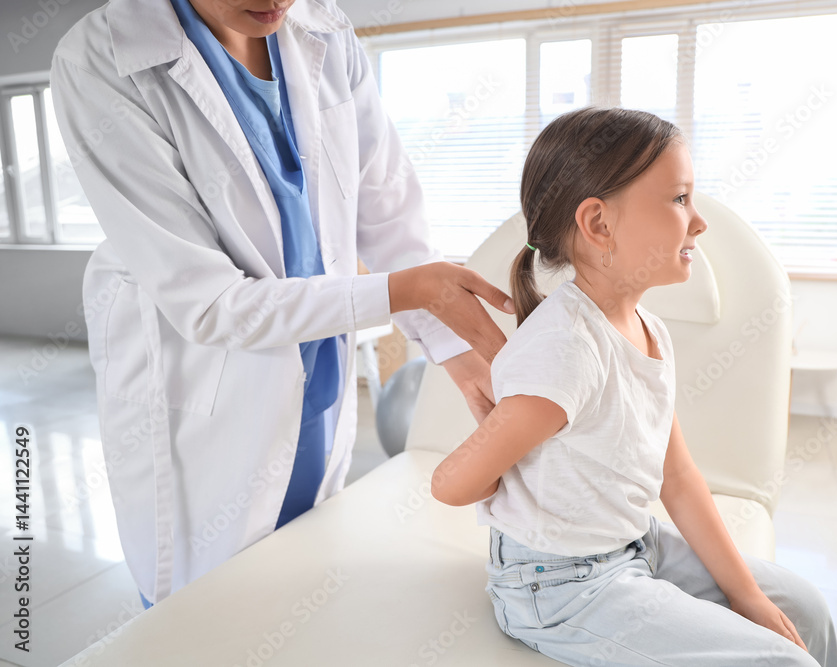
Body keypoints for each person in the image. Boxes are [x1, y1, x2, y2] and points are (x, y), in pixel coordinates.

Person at [50, 0, 512, 609]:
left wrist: (455, 349)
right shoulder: (102, 59)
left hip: (317, 375)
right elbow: (211, 304)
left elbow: (388, 208)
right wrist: (406, 291)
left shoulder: (325, 29)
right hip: (204, 397)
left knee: (300, 582)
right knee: (207, 617)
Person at [431, 107, 837, 666]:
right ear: (599, 225)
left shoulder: (649, 330)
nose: (699, 221)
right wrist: (502, 442)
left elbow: (677, 475)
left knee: (806, 609)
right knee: (784, 661)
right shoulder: (565, 350)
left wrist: (749, 597)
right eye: (679, 199)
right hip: (559, 588)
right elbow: (450, 485)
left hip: (633, 546)